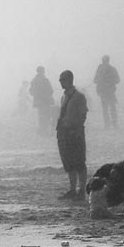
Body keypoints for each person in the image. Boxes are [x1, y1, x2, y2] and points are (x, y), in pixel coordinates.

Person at [55, 70, 89, 200]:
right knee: (68, 162)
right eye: (60, 80)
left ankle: (81, 190)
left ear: (69, 80)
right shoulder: (64, 96)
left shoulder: (79, 96)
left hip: (75, 132)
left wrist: (77, 130)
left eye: (63, 80)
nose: (61, 82)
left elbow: (83, 115)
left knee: (79, 162)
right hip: (64, 133)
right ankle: (72, 189)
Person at [93, 55, 120, 127]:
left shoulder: (104, 70)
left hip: (108, 92)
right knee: (108, 109)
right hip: (105, 92)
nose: (104, 62)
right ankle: (109, 124)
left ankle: (111, 124)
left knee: (110, 108)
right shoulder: (102, 70)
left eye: (104, 60)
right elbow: (95, 80)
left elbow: (117, 80)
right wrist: (101, 81)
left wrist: (108, 83)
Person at [30, 66, 55, 135]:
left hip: (38, 102)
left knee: (41, 116)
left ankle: (41, 131)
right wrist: (45, 95)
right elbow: (50, 90)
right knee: (46, 116)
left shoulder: (34, 80)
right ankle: (44, 131)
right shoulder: (45, 80)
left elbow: (31, 91)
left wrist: (37, 95)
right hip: (46, 101)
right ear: (43, 71)